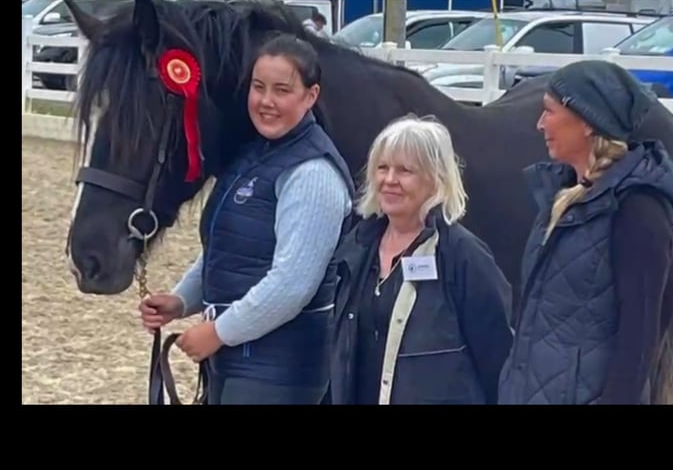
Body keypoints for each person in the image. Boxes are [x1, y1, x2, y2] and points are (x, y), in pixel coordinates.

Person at [138, 33, 355, 404]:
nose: (266, 102)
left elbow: (291, 286)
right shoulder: (255, 155)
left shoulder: (312, 174)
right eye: (258, 87)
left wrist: (217, 332)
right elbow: (229, 249)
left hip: (279, 370)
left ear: (311, 96)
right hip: (240, 360)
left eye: (282, 90)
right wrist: (181, 300)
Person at [497, 59, 673, 405]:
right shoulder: (563, 194)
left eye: (549, 112)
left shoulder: (639, 210)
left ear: (586, 121)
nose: (540, 124)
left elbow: (639, 335)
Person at [329, 114, 515, 405]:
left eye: (405, 171)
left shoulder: (463, 255)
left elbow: (497, 356)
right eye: (382, 168)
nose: (389, 180)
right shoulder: (357, 247)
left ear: (435, 179)